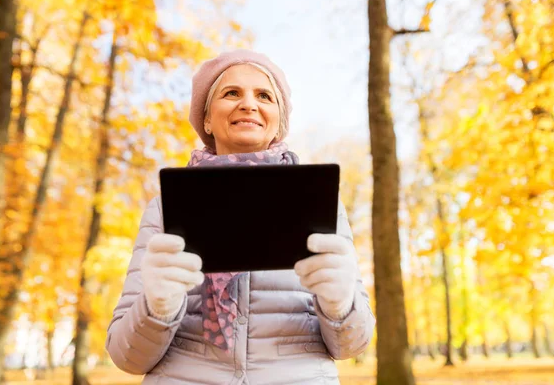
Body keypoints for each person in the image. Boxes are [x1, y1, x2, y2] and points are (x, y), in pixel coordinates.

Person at [105, 50, 375, 385]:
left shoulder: (320, 203)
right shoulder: (165, 209)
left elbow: (354, 344)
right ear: (206, 119)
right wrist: (157, 306)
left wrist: (340, 305)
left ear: (279, 122)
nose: (249, 104)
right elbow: (125, 357)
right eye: (231, 93)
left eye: (264, 96)